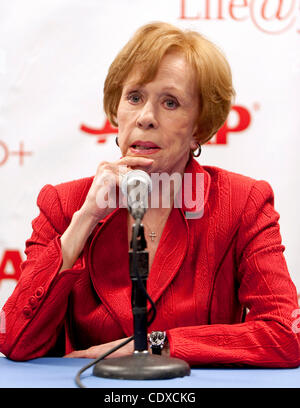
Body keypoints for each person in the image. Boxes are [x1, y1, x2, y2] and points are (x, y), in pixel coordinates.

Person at [0, 21, 299, 367]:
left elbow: (285, 334)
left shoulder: (242, 203)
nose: (146, 117)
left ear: (198, 127)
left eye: (170, 103)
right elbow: (15, 340)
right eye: (135, 97)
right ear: (116, 109)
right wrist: (84, 220)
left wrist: (153, 345)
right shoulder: (65, 205)